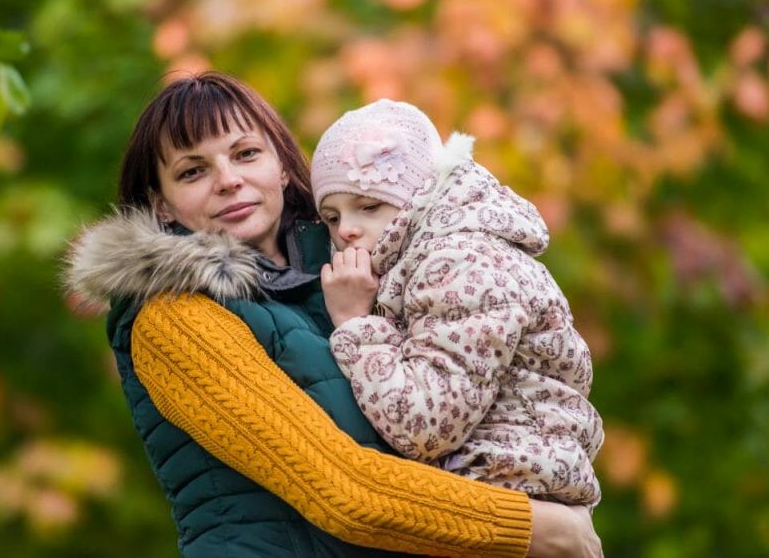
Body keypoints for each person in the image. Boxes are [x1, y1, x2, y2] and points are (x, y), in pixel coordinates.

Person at [66, 72, 602, 557]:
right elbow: (344, 492)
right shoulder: (175, 318)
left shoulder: (353, 273)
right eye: (192, 171)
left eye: (246, 153)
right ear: (161, 204)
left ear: (281, 165)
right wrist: (539, 528)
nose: (227, 179)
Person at [311, 99, 603, 506]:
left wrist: (354, 324)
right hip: (500, 484)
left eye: (369, 206)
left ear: (419, 197)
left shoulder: (462, 265)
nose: (347, 230)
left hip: (507, 484)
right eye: (332, 217)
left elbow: (426, 425)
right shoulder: (422, 262)